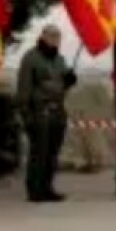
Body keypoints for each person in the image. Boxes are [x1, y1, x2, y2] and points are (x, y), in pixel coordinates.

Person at [16, 24, 75, 203]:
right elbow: (24, 88)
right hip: (39, 111)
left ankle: (47, 187)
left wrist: (69, 81)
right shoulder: (31, 58)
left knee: (52, 153)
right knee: (39, 153)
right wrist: (26, 115)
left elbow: (62, 84)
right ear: (43, 37)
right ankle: (35, 190)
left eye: (58, 37)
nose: (55, 40)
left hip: (58, 110)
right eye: (52, 36)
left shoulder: (60, 60)